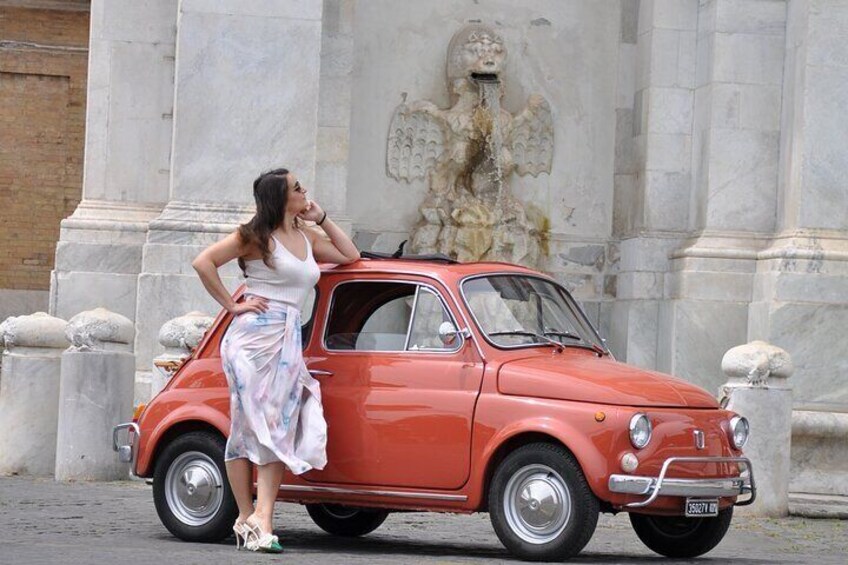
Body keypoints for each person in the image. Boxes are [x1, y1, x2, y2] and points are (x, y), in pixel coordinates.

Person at [192, 168, 360, 552]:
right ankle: (255, 516)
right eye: (297, 188)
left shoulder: (307, 236)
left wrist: (322, 218)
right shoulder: (253, 237)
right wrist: (234, 305)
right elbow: (203, 262)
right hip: (250, 339)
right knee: (261, 421)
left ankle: (252, 519)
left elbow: (350, 255)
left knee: (275, 424)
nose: (304, 191)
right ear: (280, 198)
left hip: (287, 339)